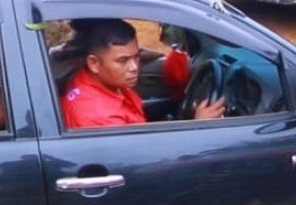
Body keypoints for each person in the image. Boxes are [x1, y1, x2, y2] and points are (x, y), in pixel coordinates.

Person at [60, 19, 223, 129]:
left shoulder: (104, 81)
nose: (134, 67)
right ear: (94, 63)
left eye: (136, 57)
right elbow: (148, 162)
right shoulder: (100, 118)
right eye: (123, 60)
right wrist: (197, 127)